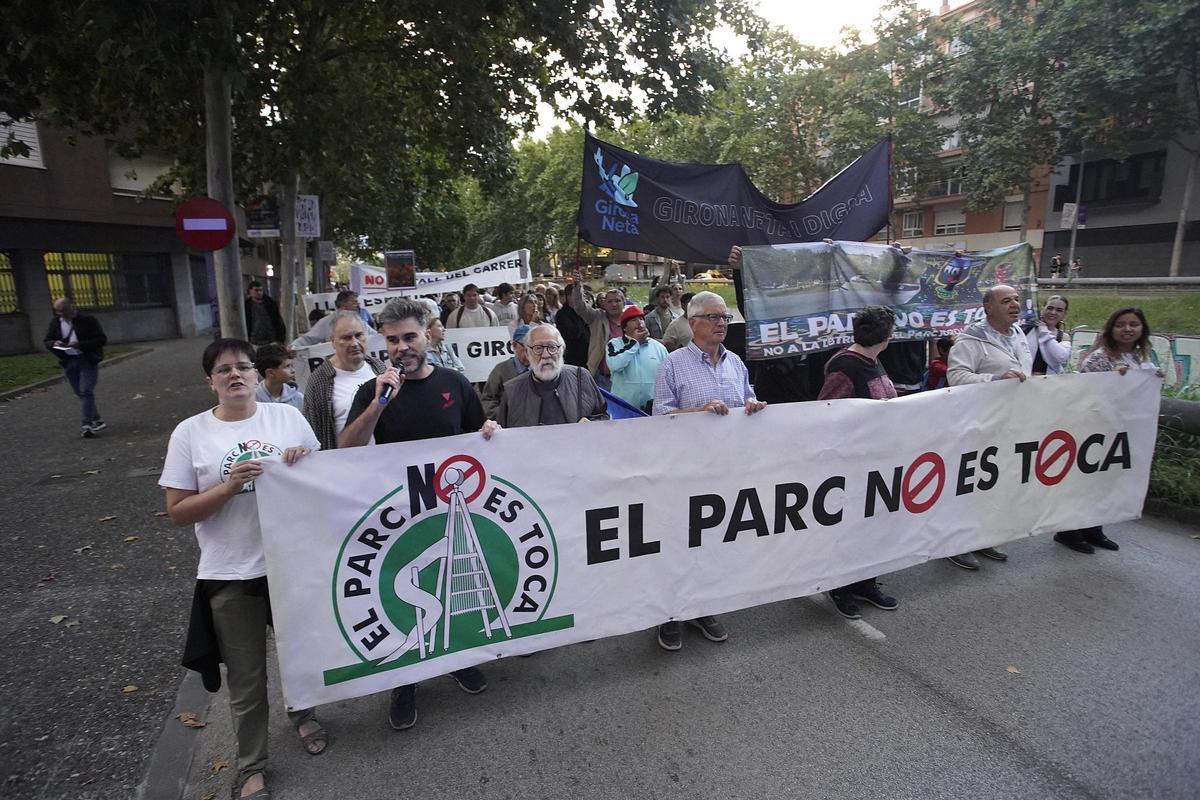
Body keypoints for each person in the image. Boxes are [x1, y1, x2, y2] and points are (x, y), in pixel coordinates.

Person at [160, 338, 326, 800]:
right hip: (230, 571)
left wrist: (302, 462)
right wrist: (228, 486)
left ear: (257, 374)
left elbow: (321, 480)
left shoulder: (286, 418)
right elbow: (177, 511)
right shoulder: (190, 433)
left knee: (299, 653)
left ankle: (304, 715)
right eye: (223, 369)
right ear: (209, 381)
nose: (235, 375)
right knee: (247, 676)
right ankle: (251, 764)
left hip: (289, 562)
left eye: (243, 367)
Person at [336, 298, 497, 731]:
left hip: (450, 510)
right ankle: (404, 681)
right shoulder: (372, 390)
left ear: (427, 335)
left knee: (449, 589)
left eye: (409, 337)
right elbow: (345, 449)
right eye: (392, 340)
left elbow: (478, 439)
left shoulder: (455, 383)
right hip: (400, 516)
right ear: (383, 344)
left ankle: (457, 660)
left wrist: (489, 434)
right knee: (407, 594)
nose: (401, 347)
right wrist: (379, 403)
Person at [652, 290, 766, 651]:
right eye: (714, 317)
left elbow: (747, 396)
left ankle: (702, 608)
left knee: (711, 542)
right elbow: (659, 417)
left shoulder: (736, 363)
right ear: (693, 321)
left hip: (726, 471)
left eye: (725, 318)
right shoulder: (673, 363)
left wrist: (753, 406)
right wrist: (698, 411)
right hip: (684, 471)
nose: (721, 324)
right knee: (676, 545)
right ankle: (668, 615)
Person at [815, 306, 902, 618]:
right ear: (887, 336)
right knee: (850, 527)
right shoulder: (846, 365)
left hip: (877, 458)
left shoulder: (871, 360)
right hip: (851, 462)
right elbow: (829, 412)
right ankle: (840, 586)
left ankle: (865, 582)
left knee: (872, 525)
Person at [1054, 306, 1164, 553]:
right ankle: (1069, 531)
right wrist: (1113, 380)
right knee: (1084, 482)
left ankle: (1094, 529)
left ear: (1142, 329)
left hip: (1120, 432)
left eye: (1133, 324)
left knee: (1105, 482)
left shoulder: (1141, 359)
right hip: (1094, 431)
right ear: (1111, 329)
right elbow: (1084, 394)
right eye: (1121, 324)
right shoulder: (1100, 358)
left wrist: (1153, 379)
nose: (1127, 329)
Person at [945, 284, 1033, 570]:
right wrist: (994, 382)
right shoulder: (972, 339)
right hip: (975, 425)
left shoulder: (1018, 334)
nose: (1015, 304)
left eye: (1017, 299)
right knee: (967, 486)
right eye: (1006, 300)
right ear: (989, 308)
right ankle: (954, 544)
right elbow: (956, 377)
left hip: (1008, 423)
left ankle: (981, 538)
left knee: (992, 485)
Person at [302, 311, 386, 452]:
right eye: (346, 338)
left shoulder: (378, 368)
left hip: (385, 461)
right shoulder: (319, 381)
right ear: (333, 342)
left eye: (359, 335)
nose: (354, 343)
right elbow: (311, 432)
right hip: (343, 466)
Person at [498, 325, 608, 426]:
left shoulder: (581, 377)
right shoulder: (512, 390)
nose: (546, 355)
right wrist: (492, 430)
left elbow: (602, 416)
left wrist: (592, 424)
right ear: (527, 353)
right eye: (538, 348)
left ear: (562, 350)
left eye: (552, 347)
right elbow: (503, 434)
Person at [44, 297, 108, 437]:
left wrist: (80, 344)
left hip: (87, 359)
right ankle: (97, 419)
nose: (62, 314)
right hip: (68, 360)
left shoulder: (88, 320)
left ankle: (87, 424)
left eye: (64, 310)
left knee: (86, 391)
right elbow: (47, 340)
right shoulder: (55, 323)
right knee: (81, 392)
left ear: (71, 307)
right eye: (58, 311)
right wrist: (55, 343)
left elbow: (101, 339)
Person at [570, 270, 626, 389]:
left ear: (624, 302)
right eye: (609, 301)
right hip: (603, 377)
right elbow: (580, 307)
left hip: (627, 377)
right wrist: (577, 286)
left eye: (617, 301)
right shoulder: (597, 317)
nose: (614, 304)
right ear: (604, 304)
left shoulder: (631, 321)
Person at [607, 306, 668, 413]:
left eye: (641, 319)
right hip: (623, 408)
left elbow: (668, 376)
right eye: (633, 320)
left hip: (652, 408)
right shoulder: (614, 344)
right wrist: (635, 343)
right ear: (624, 328)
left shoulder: (659, 347)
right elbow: (615, 365)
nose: (639, 323)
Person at [481, 324, 532, 421]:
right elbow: (487, 401)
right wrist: (505, 416)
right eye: (524, 345)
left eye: (532, 345)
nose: (528, 350)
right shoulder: (500, 370)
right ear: (514, 346)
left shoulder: (540, 370)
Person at [292, 290, 366, 348]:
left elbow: (372, 336)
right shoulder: (327, 322)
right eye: (354, 302)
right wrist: (293, 347)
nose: (358, 305)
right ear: (343, 304)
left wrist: (378, 334)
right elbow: (308, 339)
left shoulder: (359, 321)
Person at [1025, 295, 1072, 375]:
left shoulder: (1063, 336)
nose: (1053, 312)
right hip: (1025, 379)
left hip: (1048, 382)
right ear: (1043, 308)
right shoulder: (1028, 329)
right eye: (1050, 308)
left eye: (1059, 310)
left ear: (1064, 314)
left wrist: (1044, 331)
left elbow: (1061, 357)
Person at [253, 344, 304, 410]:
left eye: (292, 365)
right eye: (287, 366)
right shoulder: (252, 400)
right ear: (270, 372)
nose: (293, 371)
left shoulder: (298, 398)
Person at [555, 283, 590, 368]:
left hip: (588, 358)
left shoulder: (586, 312)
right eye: (577, 295)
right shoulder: (562, 314)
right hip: (573, 359)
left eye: (582, 296)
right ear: (568, 296)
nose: (581, 299)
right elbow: (574, 333)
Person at [244, 281, 286, 346]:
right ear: (250, 291)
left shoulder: (270, 303)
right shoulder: (247, 306)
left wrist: (281, 337)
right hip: (255, 339)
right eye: (256, 290)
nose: (259, 293)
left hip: (271, 338)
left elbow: (277, 320)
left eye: (261, 290)